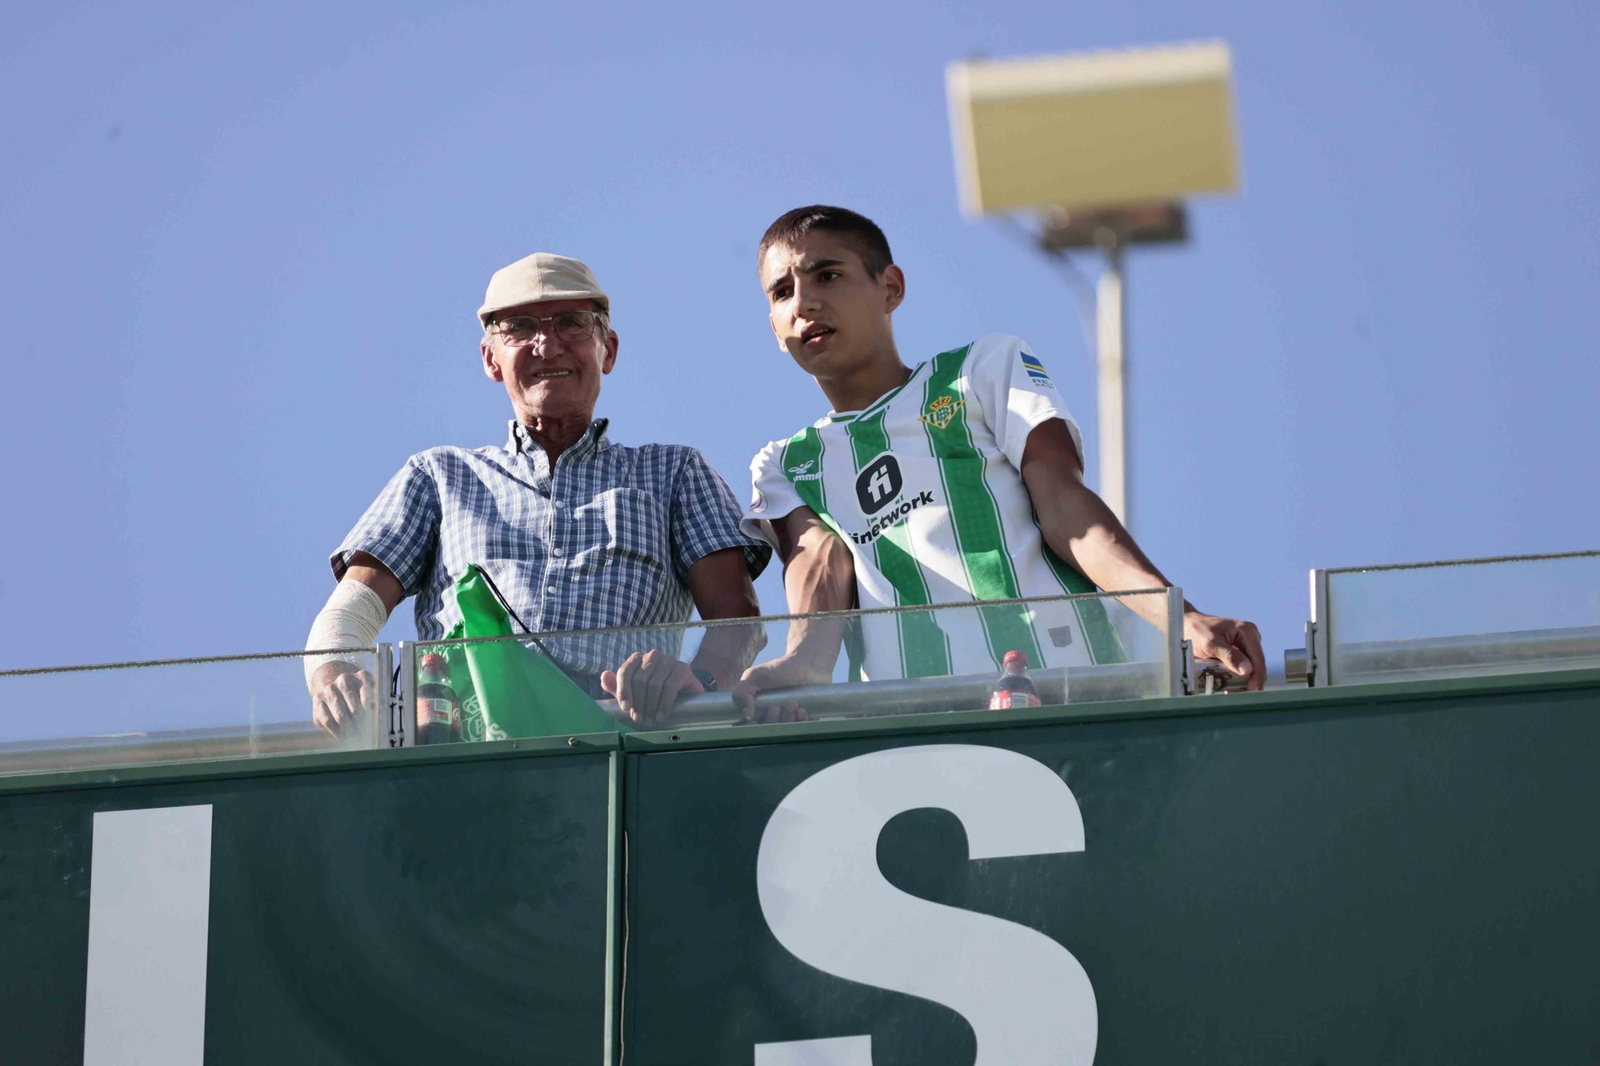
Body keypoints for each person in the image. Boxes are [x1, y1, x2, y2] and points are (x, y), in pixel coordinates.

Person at [732, 206, 1264, 718]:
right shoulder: (785, 464)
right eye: (782, 292)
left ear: (889, 287)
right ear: (775, 329)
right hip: (914, 736)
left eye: (827, 275)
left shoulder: (981, 369)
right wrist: (800, 664)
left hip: (1078, 694)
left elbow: (1064, 506)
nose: (804, 302)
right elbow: (819, 569)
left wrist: (1181, 620)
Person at [306, 253, 769, 735]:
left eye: (571, 323)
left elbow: (738, 620)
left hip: (620, 745)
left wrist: (697, 681)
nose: (547, 346)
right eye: (520, 327)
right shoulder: (439, 475)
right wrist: (334, 675)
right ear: (491, 358)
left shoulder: (674, 471)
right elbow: (350, 609)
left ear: (608, 350)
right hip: (462, 744)